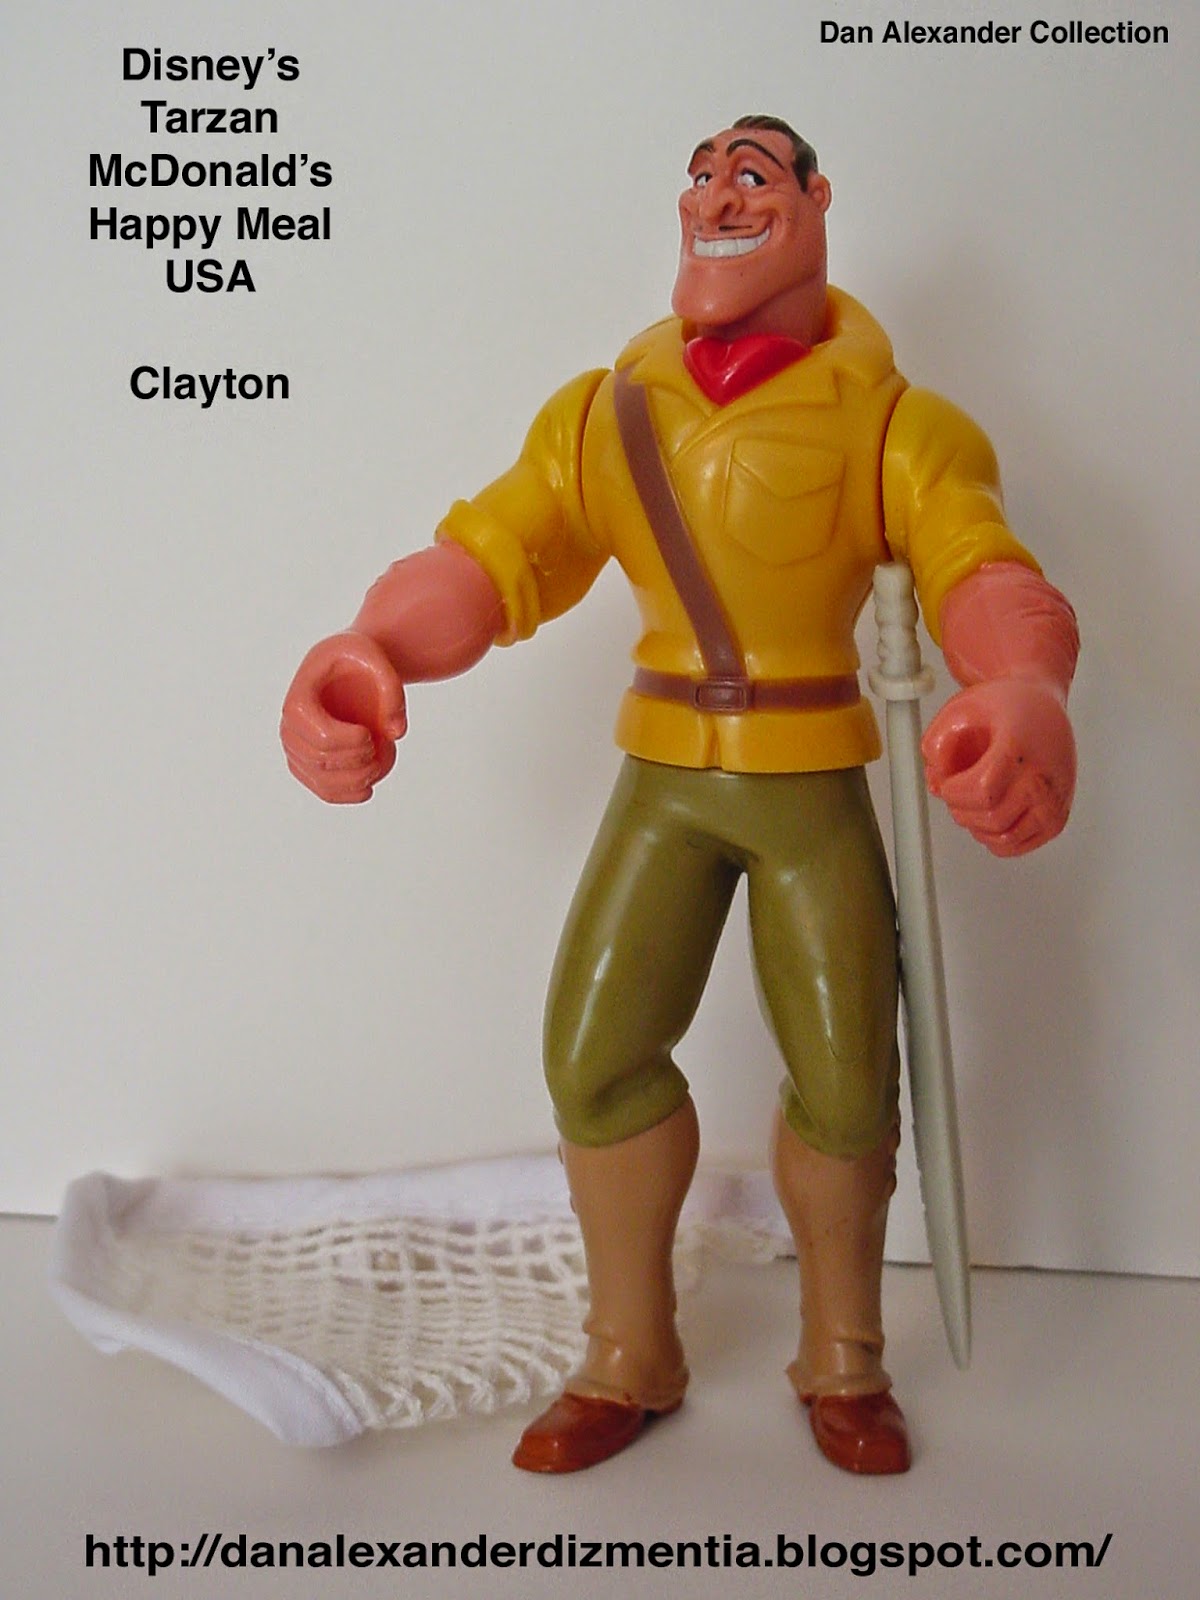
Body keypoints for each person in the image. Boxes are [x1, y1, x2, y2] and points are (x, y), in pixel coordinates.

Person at [281, 117, 1079, 1476]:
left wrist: (1022, 687)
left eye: (752, 173)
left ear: (816, 201)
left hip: (810, 782)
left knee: (847, 1082)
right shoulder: (609, 412)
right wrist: (375, 646)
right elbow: (495, 552)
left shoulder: (896, 421)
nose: (717, 194)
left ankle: (844, 1357)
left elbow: (980, 568)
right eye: (703, 174)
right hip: (664, 780)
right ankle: (627, 1354)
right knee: (592, 1056)